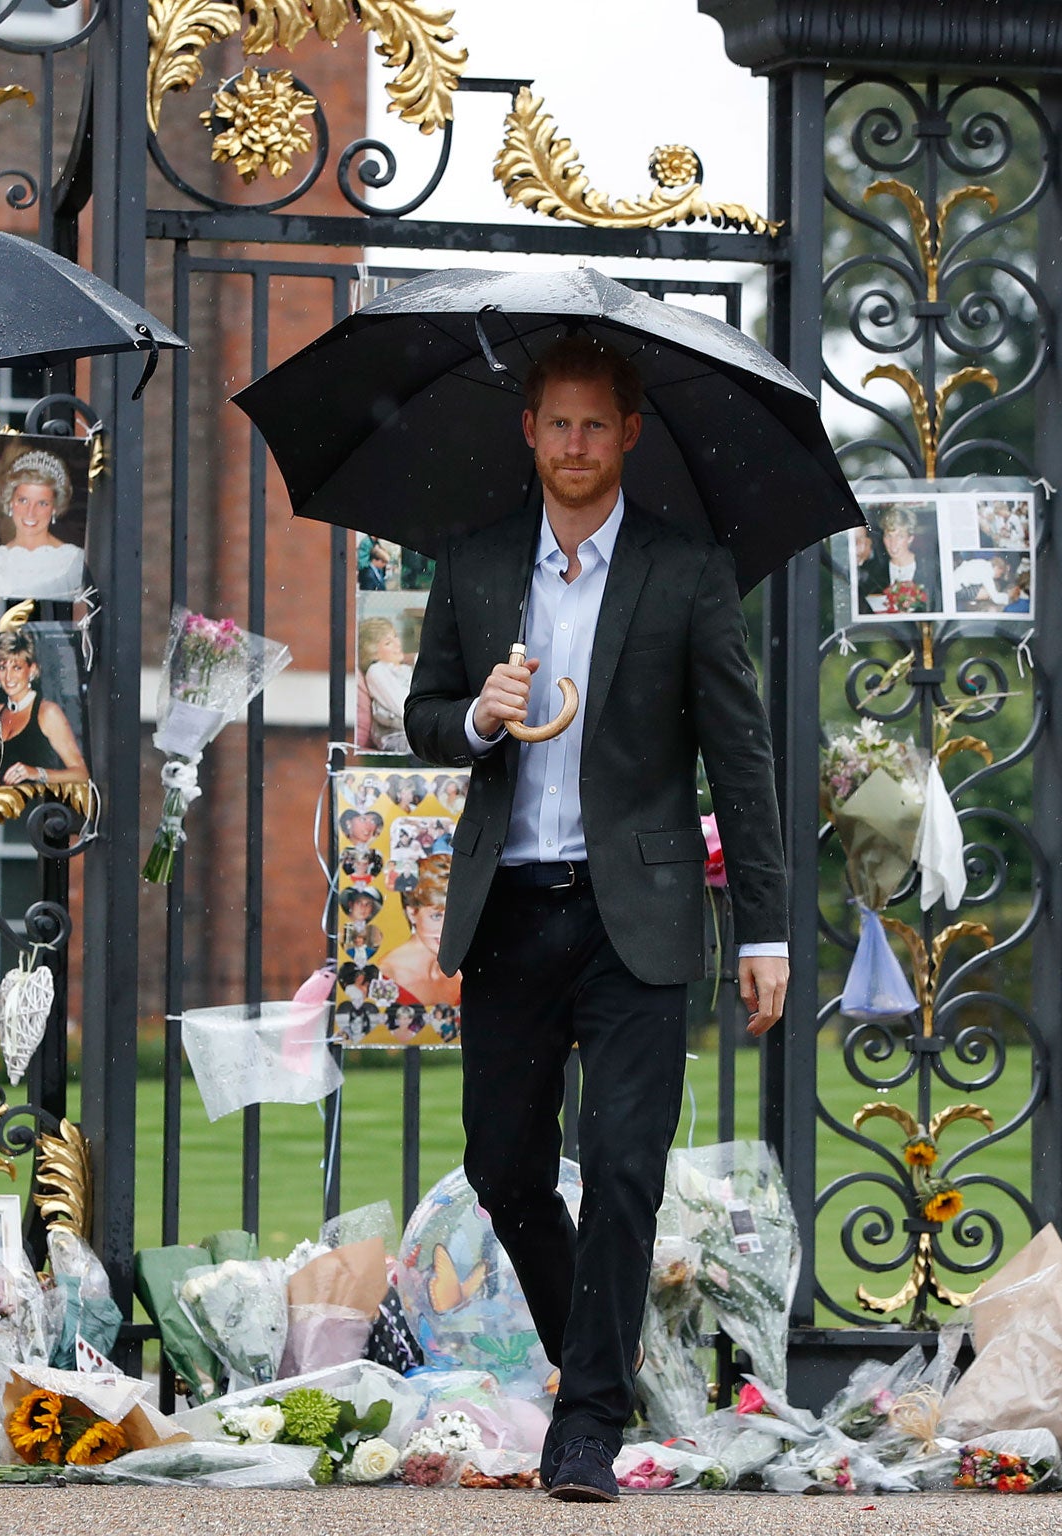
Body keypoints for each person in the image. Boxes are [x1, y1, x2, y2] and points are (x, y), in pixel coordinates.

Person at [403, 333, 788, 1502]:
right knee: (503, 1166)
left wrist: (764, 931)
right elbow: (424, 715)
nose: (572, 445)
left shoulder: (686, 570)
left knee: (624, 1169)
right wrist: (477, 715)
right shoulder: (473, 563)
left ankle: (585, 1429)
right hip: (511, 913)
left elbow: (740, 751)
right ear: (528, 431)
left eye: (592, 425)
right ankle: (598, 1353)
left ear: (627, 435)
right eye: (553, 423)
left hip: (640, 921)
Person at [0, 451, 84, 599]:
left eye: (42, 503)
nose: (31, 512)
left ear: (54, 507)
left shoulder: (74, 561)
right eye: (23, 500)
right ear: (11, 502)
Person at [0, 629, 87, 787]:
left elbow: (81, 774)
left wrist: (36, 773)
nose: (8, 677)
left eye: (17, 668)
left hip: (37, 809)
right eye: (2, 668)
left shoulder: (47, 713)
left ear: (32, 670)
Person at [381, 853, 461, 1008]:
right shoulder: (386, 976)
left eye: (456, 914)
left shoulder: (465, 968)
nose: (447, 929)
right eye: (437, 916)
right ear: (412, 913)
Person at [858, 504, 942, 615]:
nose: (893, 543)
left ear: (910, 538)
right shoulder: (872, 573)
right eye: (888, 536)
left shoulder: (930, 569)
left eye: (900, 536)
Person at [357, 616, 413, 754]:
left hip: (415, 734)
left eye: (395, 637)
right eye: (388, 643)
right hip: (397, 738)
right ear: (373, 653)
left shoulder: (405, 669)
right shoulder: (377, 671)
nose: (397, 644)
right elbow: (403, 707)